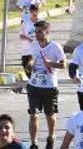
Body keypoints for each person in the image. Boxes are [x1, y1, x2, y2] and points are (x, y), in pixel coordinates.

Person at [26, 20, 65, 149]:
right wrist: (30, 64)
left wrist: (50, 64)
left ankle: (51, 137)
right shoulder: (34, 44)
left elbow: (63, 64)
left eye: (40, 32)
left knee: (50, 115)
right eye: (35, 32)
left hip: (49, 86)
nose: (36, 35)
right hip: (34, 84)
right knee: (33, 114)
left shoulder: (55, 47)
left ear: (47, 32)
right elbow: (31, 57)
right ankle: (34, 143)